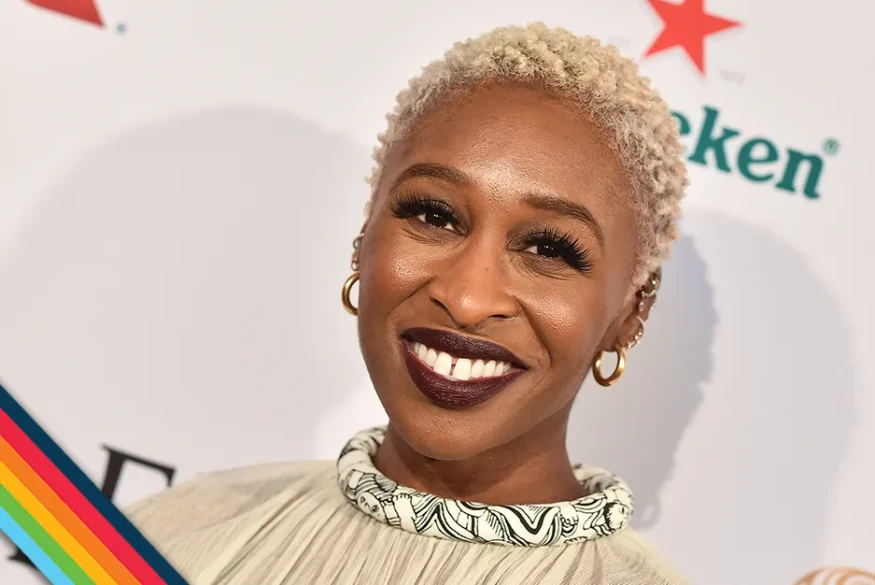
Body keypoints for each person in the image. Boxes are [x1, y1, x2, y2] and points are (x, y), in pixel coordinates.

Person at [126, 22, 689, 585]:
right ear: (366, 232)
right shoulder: (173, 536)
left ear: (631, 312)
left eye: (548, 248)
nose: (467, 299)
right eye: (434, 216)